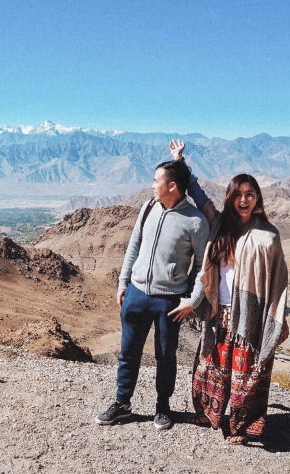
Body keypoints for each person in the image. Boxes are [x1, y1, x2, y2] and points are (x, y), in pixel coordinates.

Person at [168, 170, 290, 445]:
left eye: (249, 194)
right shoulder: (219, 224)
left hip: (249, 316)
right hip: (218, 312)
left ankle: (241, 428)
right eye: (238, 194)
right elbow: (200, 199)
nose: (243, 200)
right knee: (210, 368)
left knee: (244, 375)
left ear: (257, 198)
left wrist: (280, 317)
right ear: (230, 198)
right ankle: (208, 415)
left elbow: (279, 281)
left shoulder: (268, 236)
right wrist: (180, 164)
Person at [95, 146, 210, 430]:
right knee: (128, 352)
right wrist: (123, 283)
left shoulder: (196, 221)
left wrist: (193, 301)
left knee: (165, 356)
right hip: (136, 293)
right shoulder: (148, 208)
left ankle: (163, 407)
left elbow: (203, 268)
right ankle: (122, 404)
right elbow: (133, 247)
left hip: (169, 300)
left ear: (172, 186)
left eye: (156, 180)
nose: (152, 185)